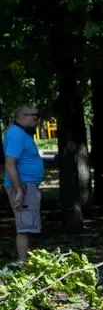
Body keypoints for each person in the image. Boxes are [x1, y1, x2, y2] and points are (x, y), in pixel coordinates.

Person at [4, 105, 44, 262]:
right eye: (35, 117)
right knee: (24, 228)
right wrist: (19, 190)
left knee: (30, 227)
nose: (38, 120)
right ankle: (24, 267)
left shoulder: (23, 134)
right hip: (23, 187)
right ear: (22, 116)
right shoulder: (16, 134)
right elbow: (9, 163)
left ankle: (31, 265)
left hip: (29, 186)